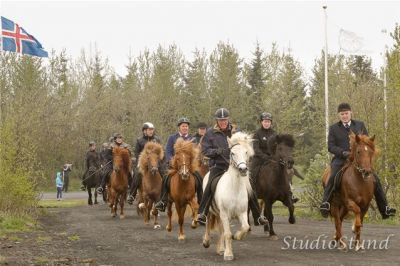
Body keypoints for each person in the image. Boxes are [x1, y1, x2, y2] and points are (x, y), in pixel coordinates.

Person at [320, 103, 396, 219]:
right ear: (339, 115)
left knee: (375, 179)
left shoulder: (360, 125)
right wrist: (343, 153)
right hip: (341, 159)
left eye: (346, 113)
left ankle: (384, 208)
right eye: (342, 114)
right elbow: (331, 146)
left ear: (351, 113)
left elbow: (366, 142)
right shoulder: (334, 128)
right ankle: (325, 203)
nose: (344, 116)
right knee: (333, 176)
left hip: (359, 159)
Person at [196, 108, 268, 226]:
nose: (223, 122)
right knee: (209, 184)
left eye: (225, 120)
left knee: (250, 185)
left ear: (228, 119)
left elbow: (245, 145)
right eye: (220, 120)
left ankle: (257, 216)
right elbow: (205, 150)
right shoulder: (210, 133)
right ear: (217, 121)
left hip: (236, 166)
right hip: (218, 165)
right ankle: (202, 213)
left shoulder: (236, 131)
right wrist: (216, 151)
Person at [154, 117, 203, 212]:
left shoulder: (192, 139)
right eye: (183, 126)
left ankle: (201, 201)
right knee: (165, 178)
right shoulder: (172, 138)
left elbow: (195, 152)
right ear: (179, 127)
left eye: (186, 126)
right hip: (176, 166)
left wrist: (193, 161)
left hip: (189, 166)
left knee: (199, 178)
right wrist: (170, 160)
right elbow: (168, 151)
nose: (185, 128)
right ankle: (163, 201)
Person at [251, 112, 300, 203]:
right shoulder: (257, 133)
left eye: (268, 121)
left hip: (272, 159)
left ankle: (289, 192)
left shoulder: (275, 134)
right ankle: (251, 192)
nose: (267, 123)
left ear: (271, 123)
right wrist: (264, 156)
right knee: (252, 173)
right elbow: (256, 149)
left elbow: (279, 148)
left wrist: (276, 157)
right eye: (265, 121)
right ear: (261, 122)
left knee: (287, 171)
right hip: (259, 159)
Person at [127, 122, 166, 205]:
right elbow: (137, 153)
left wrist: (160, 161)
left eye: (152, 129)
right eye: (149, 130)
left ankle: (166, 196)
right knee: (137, 174)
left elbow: (161, 152)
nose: (151, 131)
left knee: (164, 174)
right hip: (143, 163)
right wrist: (141, 162)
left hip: (156, 163)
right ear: (144, 131)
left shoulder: (157, 140)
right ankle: (132, 194)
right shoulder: (139, 140)